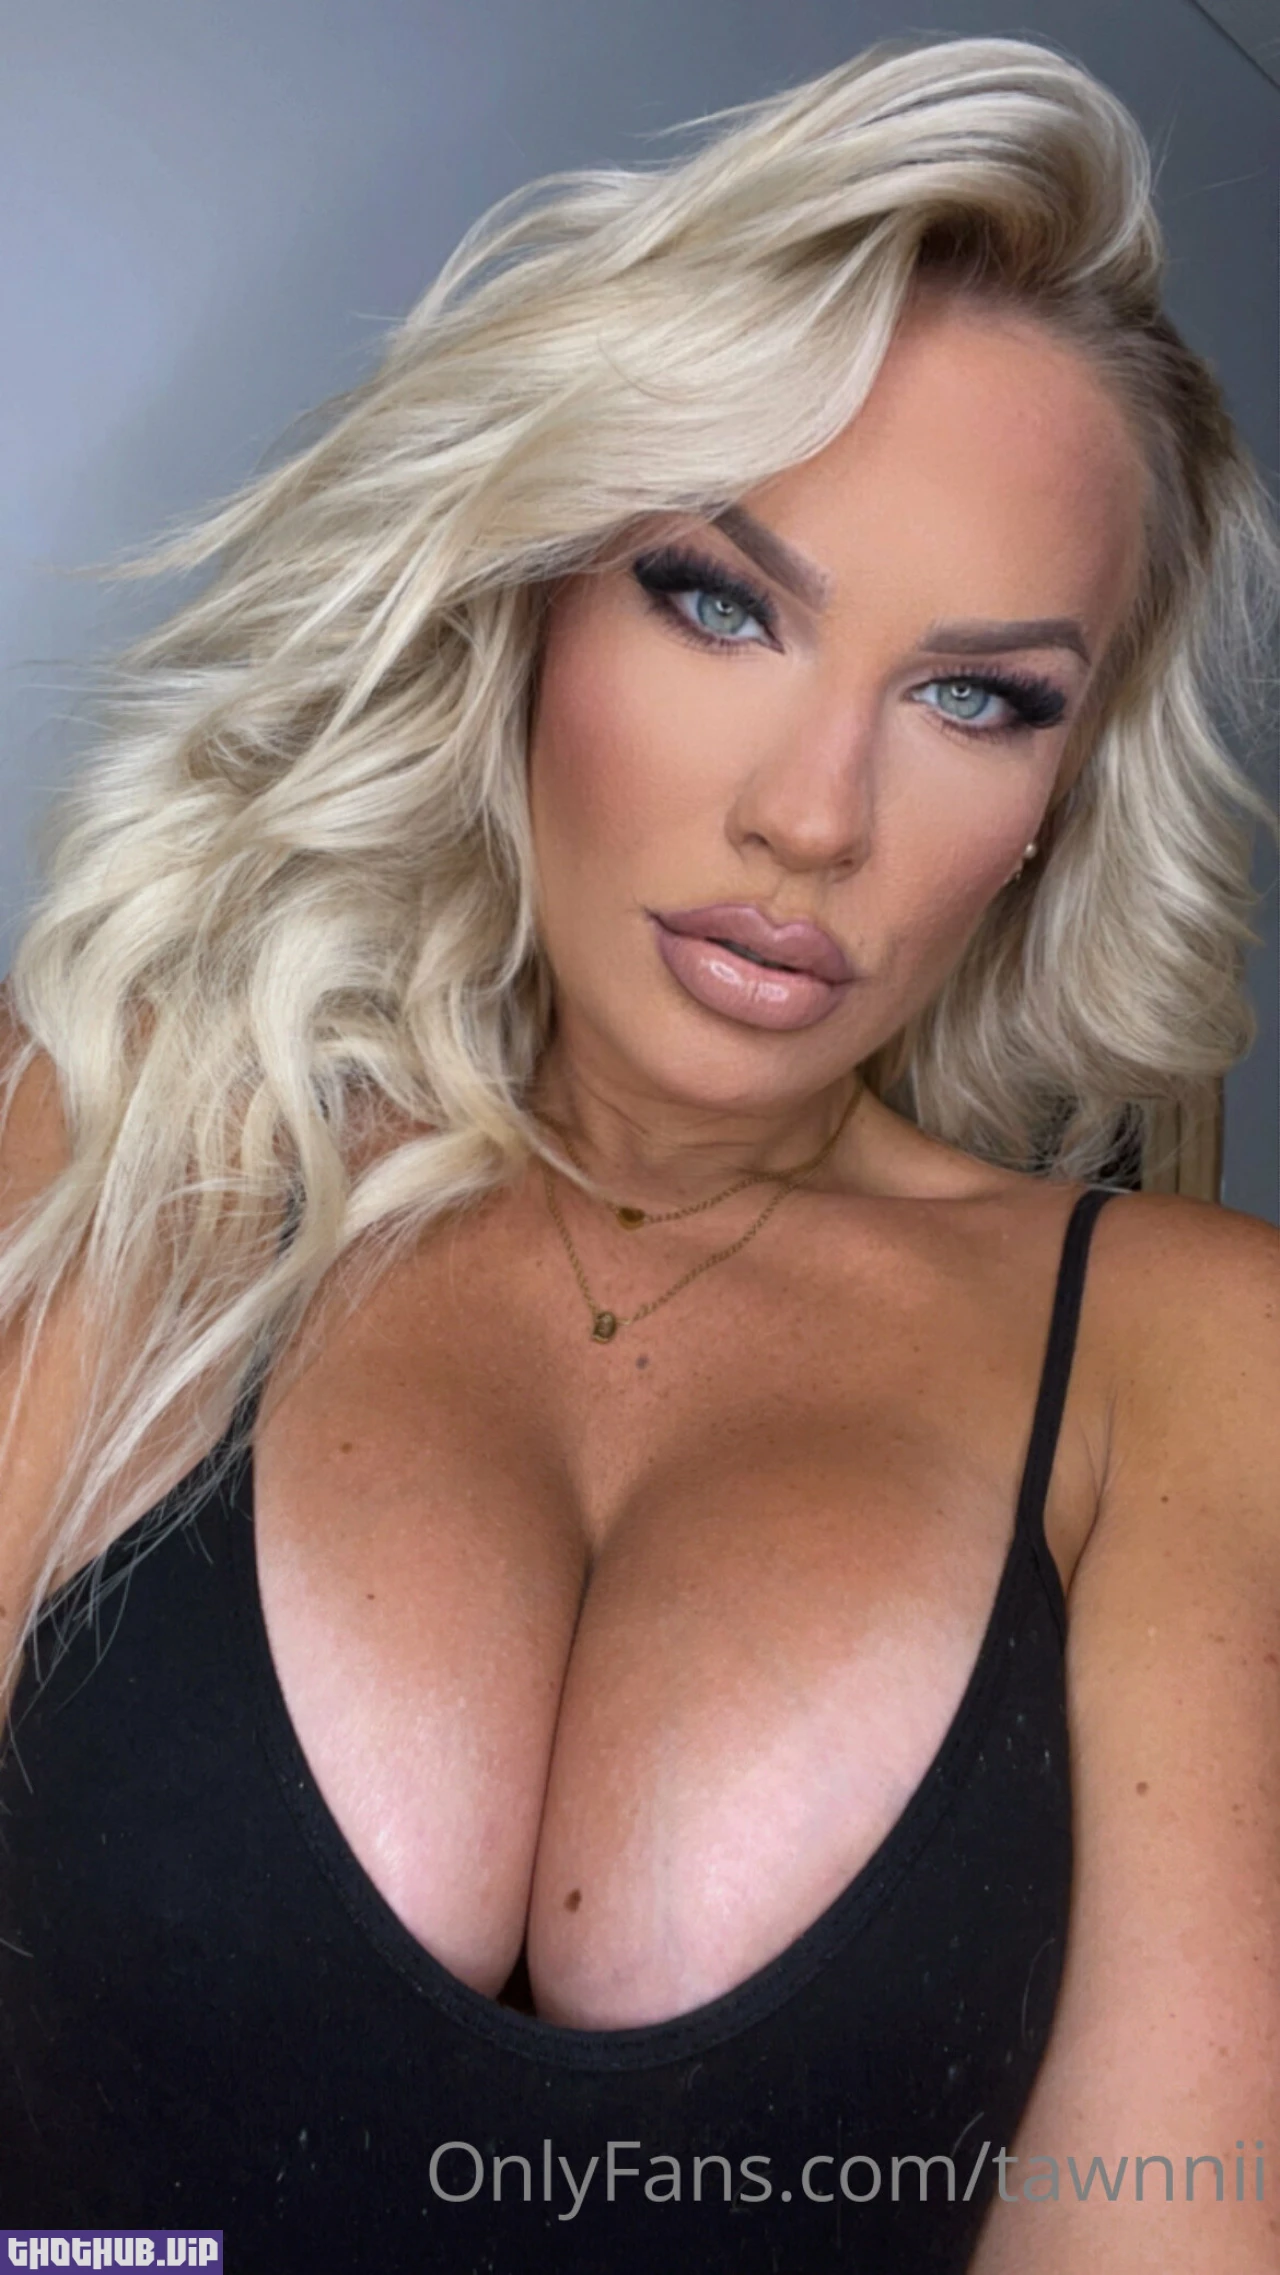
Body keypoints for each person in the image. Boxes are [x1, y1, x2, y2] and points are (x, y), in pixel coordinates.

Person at [0, 29, 1276, 2275]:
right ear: (531, 594)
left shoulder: (1194, 1363)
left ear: (1057, 801)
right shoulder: (116, 1131)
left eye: (975, 696)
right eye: (721, 599)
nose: (813, 816)